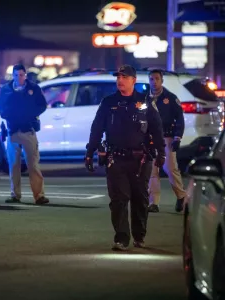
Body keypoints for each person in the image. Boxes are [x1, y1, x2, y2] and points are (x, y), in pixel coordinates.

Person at [85, 65, 166, 251]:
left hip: (141, 159)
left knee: (140, 198)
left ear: (134, 80)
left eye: (125, 77)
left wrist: (161, 152)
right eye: (118, 77)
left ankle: (139, 236)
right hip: (116, 159)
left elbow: (157, 129)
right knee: (119, 200)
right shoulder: (108, 102)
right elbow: (96, 129)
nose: (120, 80)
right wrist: (90, 152)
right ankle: (121, 238)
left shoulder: (145, 102)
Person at [0, 64, 49, 205]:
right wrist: (8, 115)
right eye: (15, 75)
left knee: (33, 164)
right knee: (14, 165)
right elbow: (0, 107)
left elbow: (42, 105)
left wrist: (30, 115)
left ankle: (39, 195)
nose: (18, 78)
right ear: (12, 76)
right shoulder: (6, 90)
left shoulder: (33, 88)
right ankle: (15, 194)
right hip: (12, 130)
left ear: (25, 75)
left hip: (28, 130)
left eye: (21, 75)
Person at [146, 69, 187, 213]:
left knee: (170, 169)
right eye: (151, 79)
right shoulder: (145, 99)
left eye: (157, 78)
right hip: (150, 139)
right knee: (152, 170)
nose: (154, 81)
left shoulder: (170, 98)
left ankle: (181, 195)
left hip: (166, 138)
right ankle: (154, 202)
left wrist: (177, 137)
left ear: (162, 80)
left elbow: (179, 119)